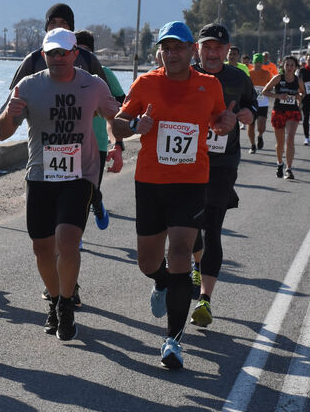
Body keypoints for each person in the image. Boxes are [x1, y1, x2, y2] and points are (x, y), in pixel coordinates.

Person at [112, 21, 236, 369]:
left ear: (191, 50)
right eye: (166, 47)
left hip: (191, 182)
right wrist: (135, 126)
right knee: (148, 263)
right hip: (151, 182)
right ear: (160, 52)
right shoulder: (146, 83)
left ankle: (173, 341)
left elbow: (218, 121)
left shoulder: (209, 86)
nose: (172, 53)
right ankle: (163, 283)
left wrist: (225, 123)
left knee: (180, 252)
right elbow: (116, 123)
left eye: (179, 47)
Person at [0, 28, 119, 341]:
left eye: (64, 52)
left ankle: (65, 306)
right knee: (42, 248)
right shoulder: (28, 86)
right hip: (39, 176)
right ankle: (54, 298)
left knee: (67, 240)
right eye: (52, 53)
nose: (58, 58)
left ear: (76, 53)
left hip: (80, 175)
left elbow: (115, 118)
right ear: (44, 55)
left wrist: (125, 136)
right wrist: (9, 115)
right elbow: (1, 133)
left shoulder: (92, 85)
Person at [190, 24, 256, 327]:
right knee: (191, 224)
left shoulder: (237, 78)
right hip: (186, 161)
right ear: (198, 49)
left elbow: (253, 104)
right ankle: (194, 264)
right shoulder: (185, 75)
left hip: (222, 163)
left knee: (212, 226)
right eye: (207, 47)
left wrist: (247, 115)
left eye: (218, 47)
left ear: (227, 50)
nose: (213, 53)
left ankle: (205, 299)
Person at [74, 30, 125, 233]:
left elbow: (122, 102)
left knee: (90, 190)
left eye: (86, 52)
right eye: (77, 51)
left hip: (98, 143)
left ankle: (97, 202)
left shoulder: (104, 74)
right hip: (71, 143)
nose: (82, 57)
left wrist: (118, 143)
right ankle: (75, 237)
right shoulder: (64, 76)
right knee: (73, 192)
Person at [262, 56, 305, 180]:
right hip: (279, 111)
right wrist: (278, 96)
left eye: (292, 65)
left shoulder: (298, 80)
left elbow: (303, 93)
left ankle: (289, 168)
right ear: (283, 66)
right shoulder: (278, 78)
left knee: (290, 139)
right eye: (287, 65)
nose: (290, 67)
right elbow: (265, 91)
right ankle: (280, 163)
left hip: (293, 112)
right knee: (280, 143)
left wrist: (299, 96)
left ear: (296, 67)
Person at [247, 53, 274, 154]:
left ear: (262, 63)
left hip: (263, 102)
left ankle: (260, 136)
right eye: (256, 62)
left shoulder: (267, 73)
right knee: (251, 124)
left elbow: (270, 85)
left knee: (261, 126)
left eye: (259, 62)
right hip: (252, 102)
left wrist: (268, 89)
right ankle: (252, 145)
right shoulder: (249, 73)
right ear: (253, 63)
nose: (258, 64)